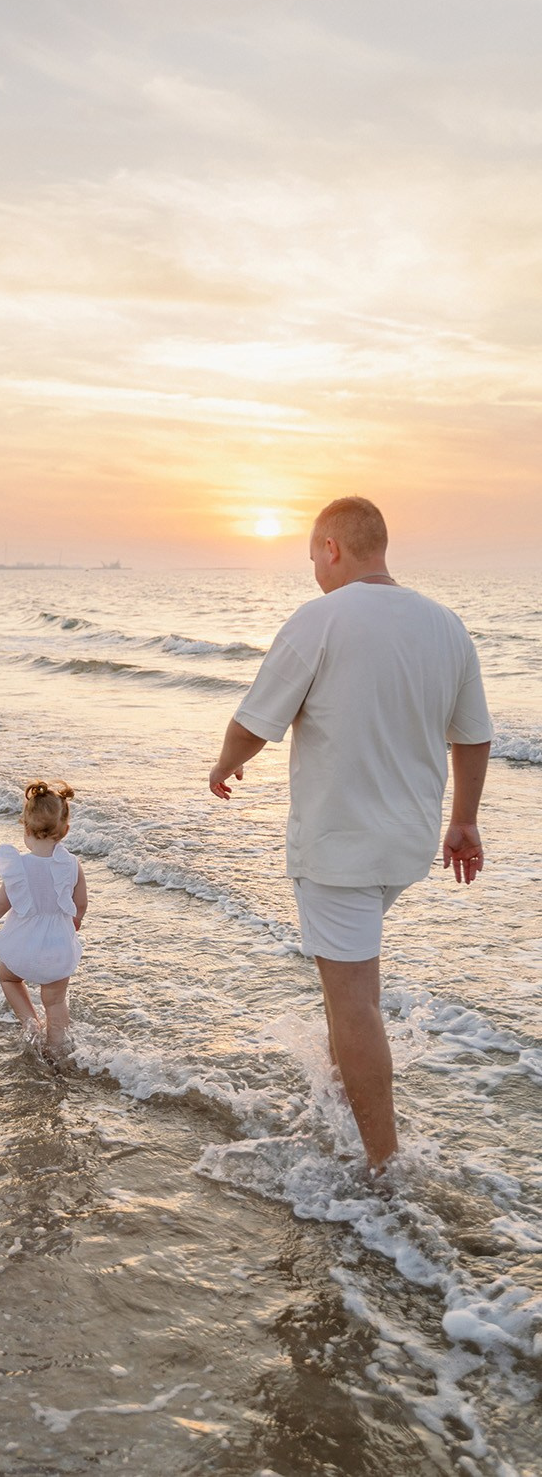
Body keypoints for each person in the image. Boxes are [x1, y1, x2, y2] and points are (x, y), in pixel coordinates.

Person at [208, 497, 492, 1172]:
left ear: (332, 547)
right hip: (407, 847)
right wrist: (464, 820)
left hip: (341, 849)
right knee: (348, 989)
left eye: (312, 555)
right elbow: (474, 735)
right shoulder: (445, 624)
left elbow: (257, 720)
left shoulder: (322, 618)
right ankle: (338, 1103)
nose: (312, 570)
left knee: (355, 1002)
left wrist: (225, 763)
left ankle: (383, 1170)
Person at [0, 781, 88, 1057]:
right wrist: (75, 921)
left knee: (8, 978)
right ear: (64, 830)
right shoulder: (72, 865)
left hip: (25, 945)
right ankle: (57, 1050)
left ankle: (30, 1025)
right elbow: (81, 904)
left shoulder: (19, 867)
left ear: (26, 829)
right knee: (55, 1001)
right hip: (58, 946)